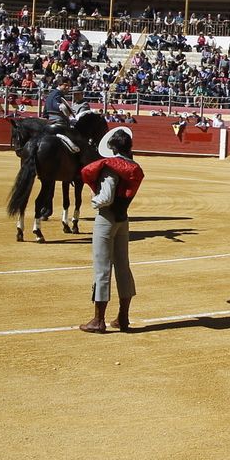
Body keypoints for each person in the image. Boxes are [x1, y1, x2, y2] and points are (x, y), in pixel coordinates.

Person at [79, 127, 143, 334]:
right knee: (123, 266)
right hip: (123, 218)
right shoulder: (133, 167)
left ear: (112, 147)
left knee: (102, 267)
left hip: (106, 218)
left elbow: (106, 196)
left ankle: (98, 320)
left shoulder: (111, 167)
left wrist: (94, 201)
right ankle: (123, 318)